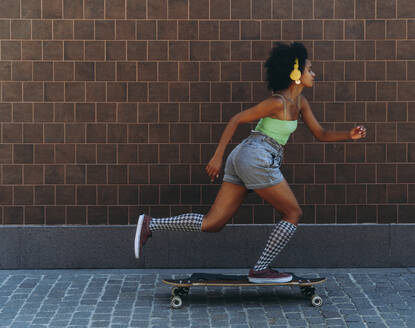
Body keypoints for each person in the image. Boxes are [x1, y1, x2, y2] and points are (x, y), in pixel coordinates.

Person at [134, 42, 367, 283]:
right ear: (296, 74)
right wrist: (217, 156)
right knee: (293, 212)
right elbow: (237, 119)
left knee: (213, 223)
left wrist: (348, 135)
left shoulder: (301, 104)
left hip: (246, 157)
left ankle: (152, 224)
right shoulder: (276, 102)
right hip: (257, 156)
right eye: (310, 69)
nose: (314, 73)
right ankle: (261, 268)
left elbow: (320, 133)